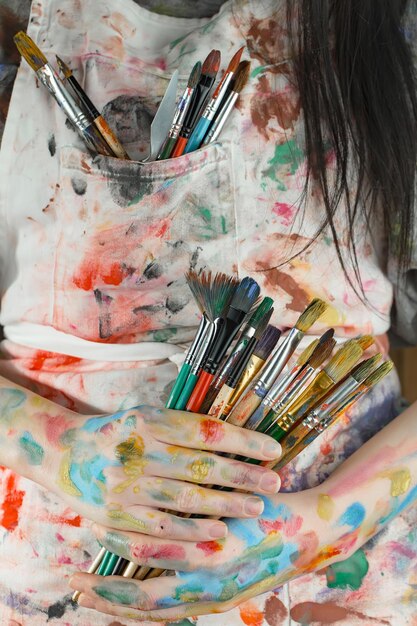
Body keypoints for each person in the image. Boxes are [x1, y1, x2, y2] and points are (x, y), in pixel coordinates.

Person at [0, 0, 416, 624]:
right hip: (62, 569)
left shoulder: (391, 24)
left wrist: (321, 524)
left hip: (344, 581)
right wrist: (55, 448)